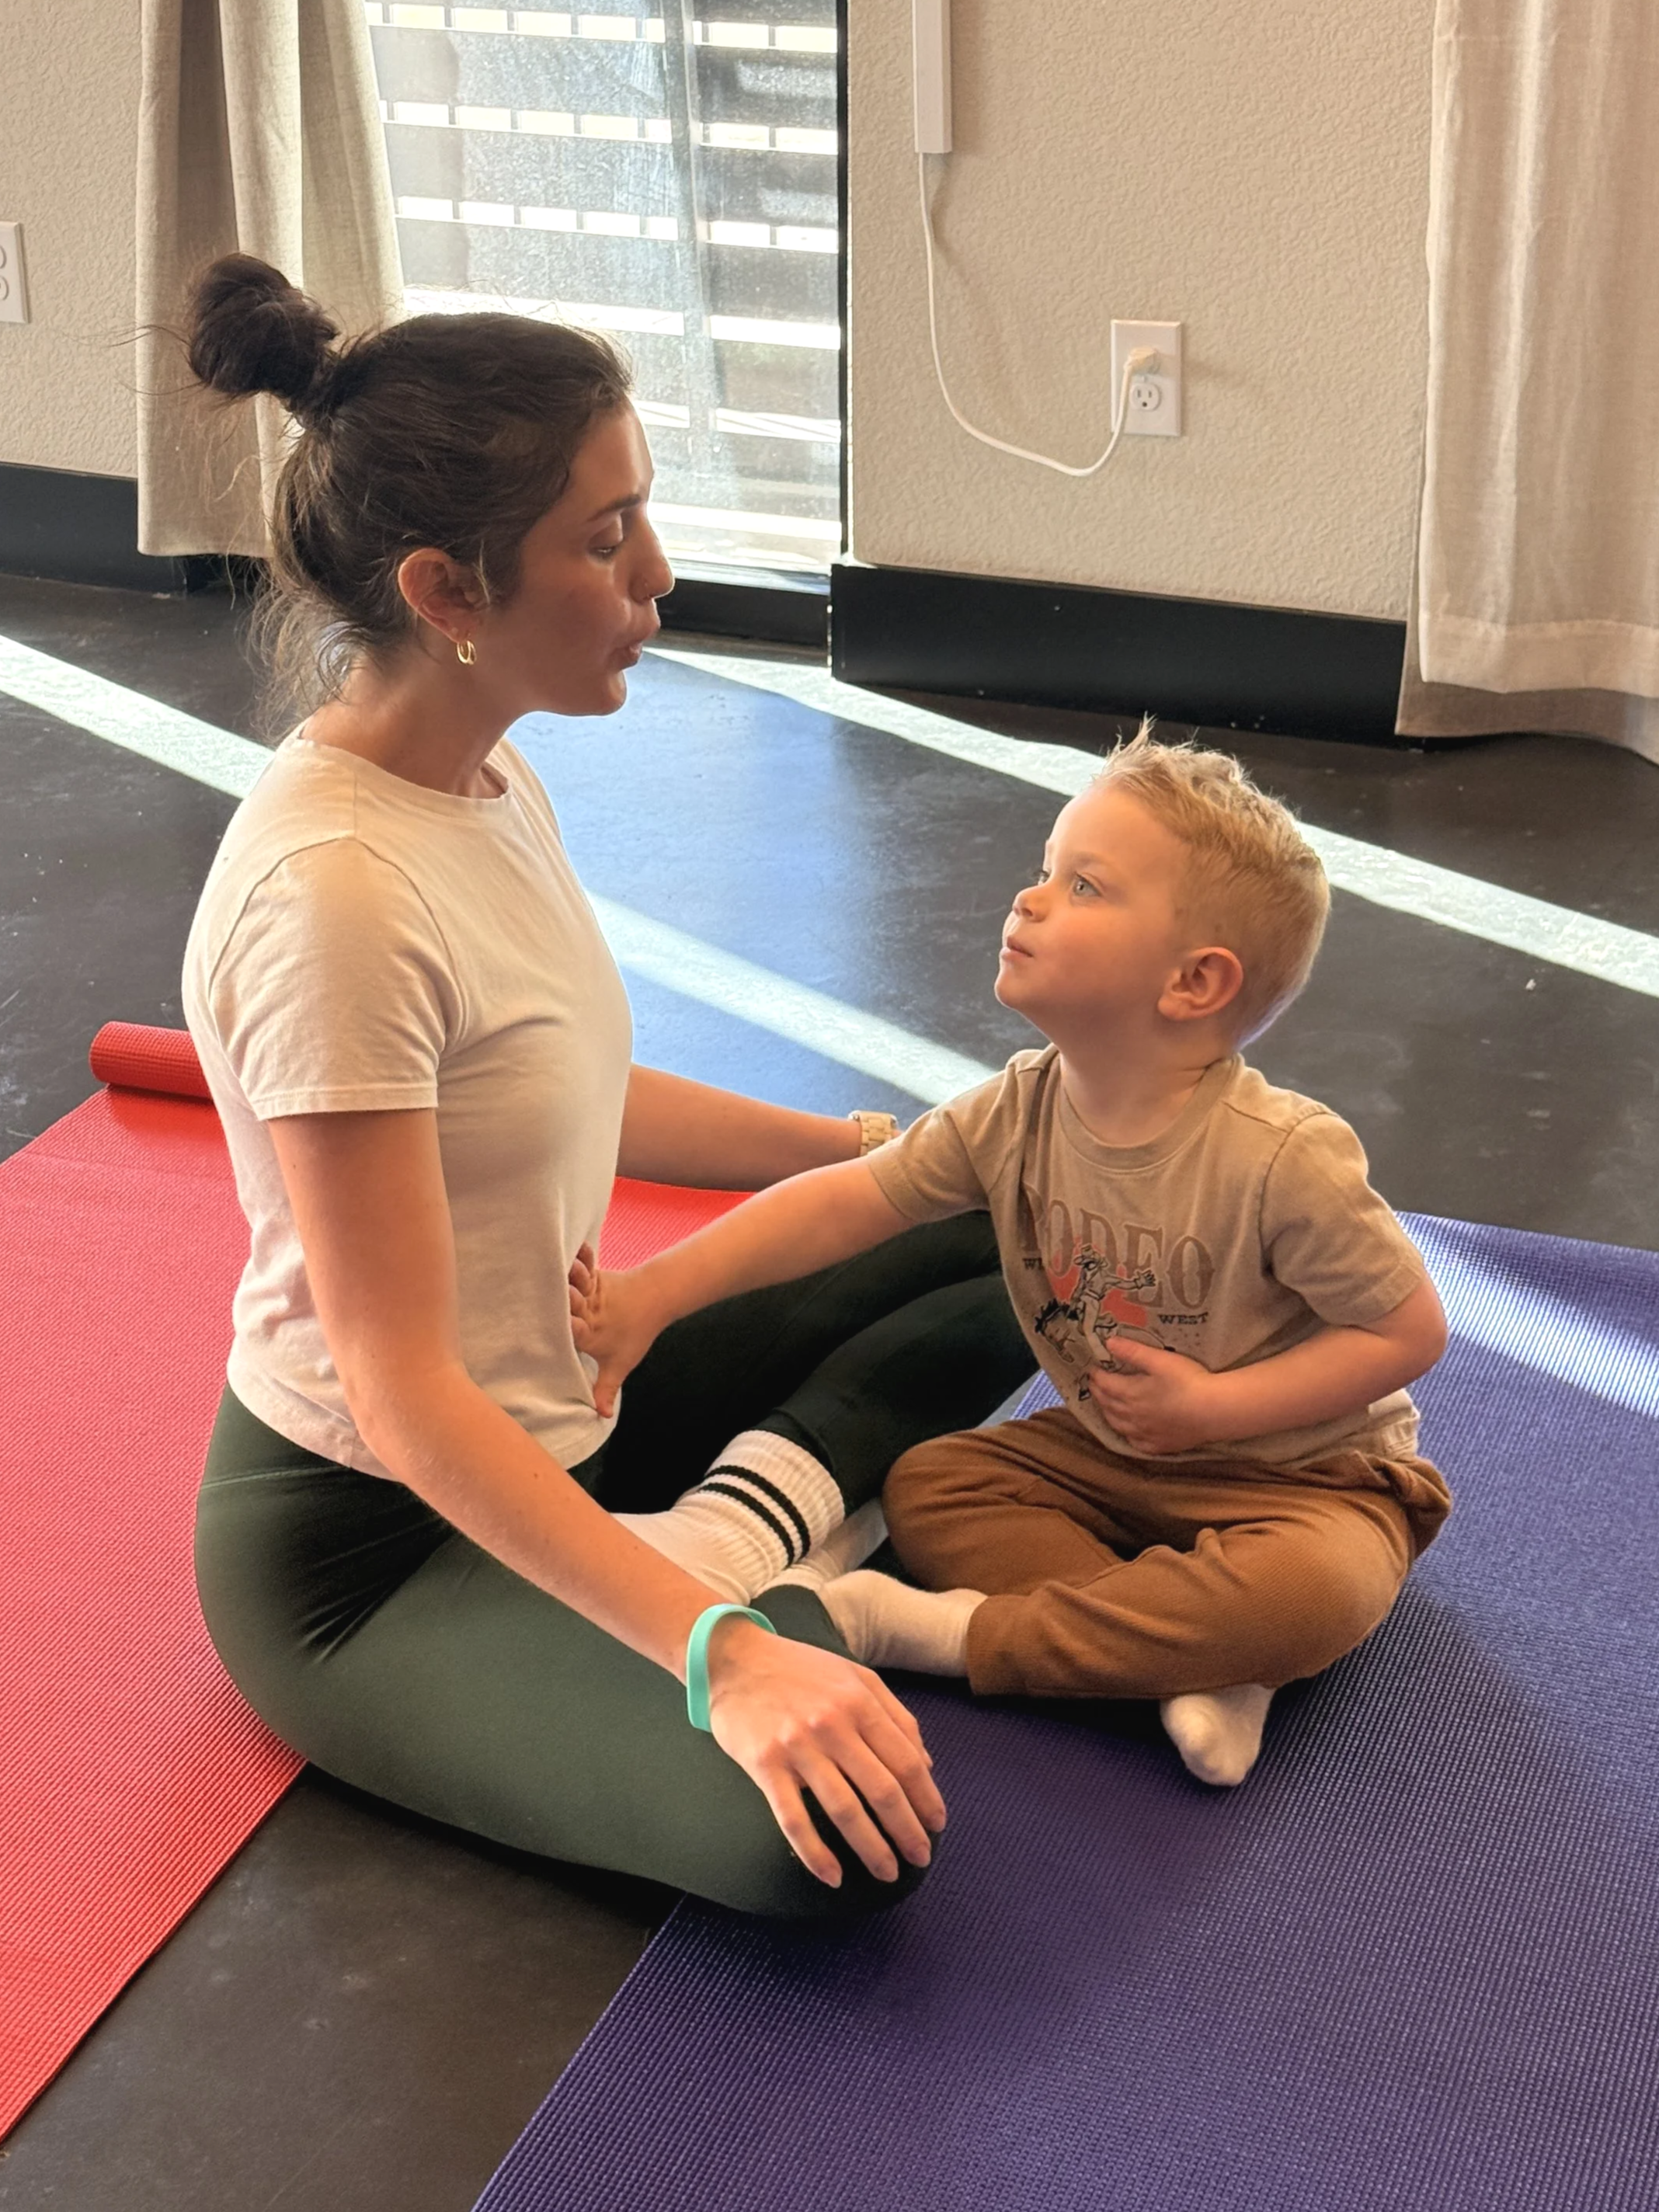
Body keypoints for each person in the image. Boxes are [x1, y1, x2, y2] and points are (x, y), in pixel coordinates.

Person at [179, 255, 1035, 1918]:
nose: (658, 569)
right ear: (446, 586)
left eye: (641, 510)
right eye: (602, 536)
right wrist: (720, 1653)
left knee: (1015, 1221)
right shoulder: (335, 900)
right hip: (375, 1545)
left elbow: (581, 1083)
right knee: (828, 1838)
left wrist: (891, 1152)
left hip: (580, 1387)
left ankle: (731, 1527)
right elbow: (407, 1390)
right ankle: (746, 1572)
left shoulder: (480, 773)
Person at [573, 736, 1453, 1789]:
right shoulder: (1019, 1107)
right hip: (1112, 1460)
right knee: (933, 1487)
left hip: (1305, 1479)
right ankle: (1194, 1660)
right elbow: (846, 1204)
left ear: (1193, 982)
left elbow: (1409, 1333)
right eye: (1045, 868)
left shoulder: (1282, 1156)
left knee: (1317, 1594)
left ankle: (947, 1636)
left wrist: (1217, 1411)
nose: (1029, 899)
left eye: (1083, 885)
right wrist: (652, 1294)